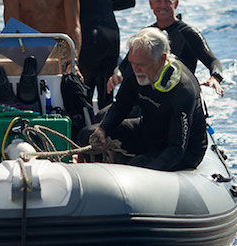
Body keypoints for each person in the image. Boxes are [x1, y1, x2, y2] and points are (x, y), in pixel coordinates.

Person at [86, 27, 207, 171]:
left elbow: (176, 148)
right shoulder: (135, 68)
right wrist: (103, 130)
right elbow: (121, 107)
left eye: (141, 65)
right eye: (132, 63)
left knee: (136, 165)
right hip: (149, 132)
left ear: (162, 59)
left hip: (183, 150)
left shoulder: (183, 89)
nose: (136, 69)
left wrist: (147, 171)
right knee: (87, 134)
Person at [107, 0, 225, 98]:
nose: (162, 6)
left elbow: (213, 61)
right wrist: (117, 74)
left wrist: (215, 77)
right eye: (158, 1)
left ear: (176, 4)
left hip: (180, 97)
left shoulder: (189, 33)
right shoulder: (146, 35)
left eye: (167, 1)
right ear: (151, 4)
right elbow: (124, 65)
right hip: (150, 98)